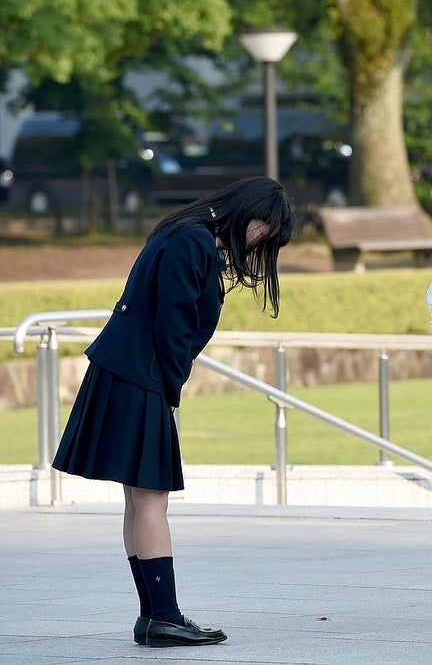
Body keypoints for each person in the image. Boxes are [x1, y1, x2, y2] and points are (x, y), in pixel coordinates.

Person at [53, 177, 294, 647]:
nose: (262, 239)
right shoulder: (193, 240)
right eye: (266, 227)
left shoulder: (186, 232)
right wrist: (170, 386)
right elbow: (175, 322)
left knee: (139, 499)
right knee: (150, 500)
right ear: (250, 212)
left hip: (128, 371)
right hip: (141, 376)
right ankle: (162, 616)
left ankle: (154, 616)